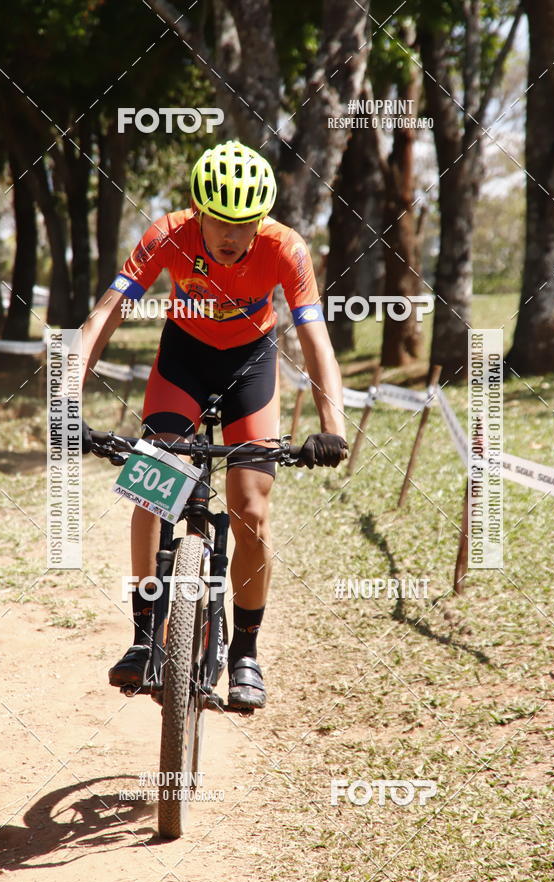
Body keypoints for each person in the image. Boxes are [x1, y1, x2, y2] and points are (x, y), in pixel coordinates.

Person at [79, 140, 348, 710]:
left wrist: (333, 426)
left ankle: (245, 651)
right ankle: (144, 633)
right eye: (220, 222)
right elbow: (106, 312)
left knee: (251, 506)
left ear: (262, 220)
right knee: (154, 490)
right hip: (184, 360)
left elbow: (315, 338)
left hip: (250, 363)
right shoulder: (166, 234)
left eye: (244, 223)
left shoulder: (286, 249)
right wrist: (63, 398)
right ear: (198, 213)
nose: (231, 235)